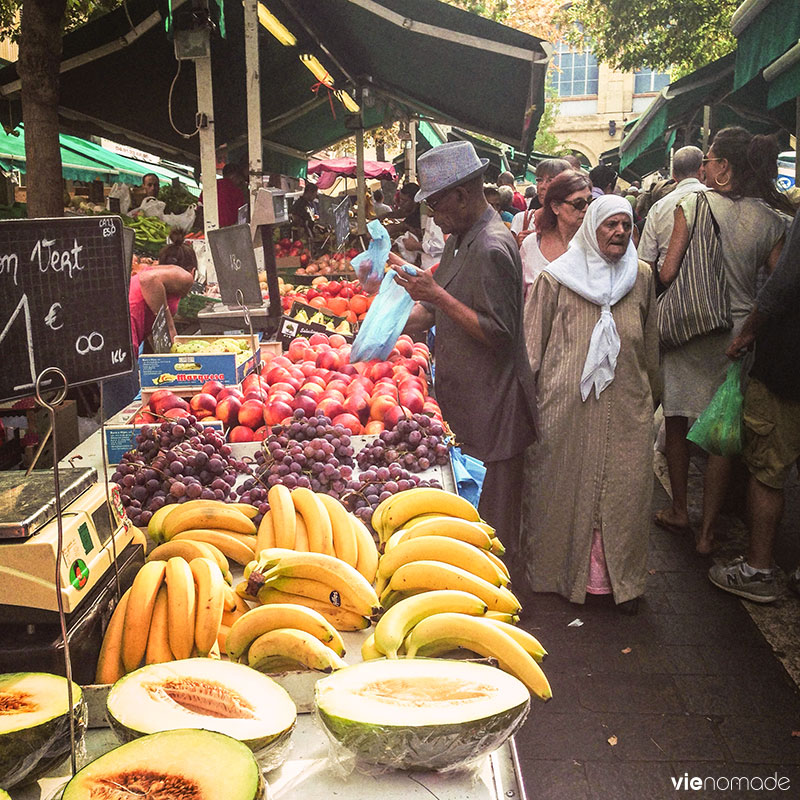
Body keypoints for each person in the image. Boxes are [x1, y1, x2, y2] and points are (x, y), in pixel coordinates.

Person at [390, 140, 537, 565]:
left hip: (496, 411)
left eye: (436, 203)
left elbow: (501, 334)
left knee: (495, 530)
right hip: (468, 407)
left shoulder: (492, 246)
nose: (433, 215)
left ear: (461, 194)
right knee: (470, 525)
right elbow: (434, 312)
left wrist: (436, 294)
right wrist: (374, 330)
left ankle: (507, 611)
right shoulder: (459, 240)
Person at [656, 127, 793, 554]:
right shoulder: (772, 221)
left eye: (709, 160)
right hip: (738, 335)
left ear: (724, 168)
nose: (704, 167)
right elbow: (775, 284)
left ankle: (679, 508)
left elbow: (666, 272)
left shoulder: (690, 204)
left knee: (677, 420)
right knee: (723, 431)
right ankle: (709, 530)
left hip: (690, 328)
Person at [521, 195, 660, 614]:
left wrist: (653, 397)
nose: (619, 232)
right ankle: (556, 576)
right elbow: (532, 348)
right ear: (591, 228)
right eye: (609, 225)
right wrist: (530, 406)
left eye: (626, 225)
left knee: (626, 491)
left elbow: (651, 342)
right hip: (566, 408)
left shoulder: (641, 277)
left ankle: (623, 585)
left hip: (627, 407)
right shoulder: (556, 279)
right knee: (561, 487)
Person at [706, 212, 800, 602]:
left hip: (787, 367)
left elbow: (781, 286)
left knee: (768, 470)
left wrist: (747, 334)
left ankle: (758, 570)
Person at [102, 232, 197, 417]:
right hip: (119, 339)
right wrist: (169, 325)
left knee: (123, 407)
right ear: (192, 270)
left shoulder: (159, 276)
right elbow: (148, 281)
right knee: (126, 414)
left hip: (113, 333)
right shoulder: (184, 276)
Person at [638, 146, 706, 294]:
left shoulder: (658, 208)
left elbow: (646, 261)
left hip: (668, 290)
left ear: (674, 175)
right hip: (712, 289)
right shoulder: (717, 199)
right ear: (702, 170)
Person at [519, 170, 592, 296]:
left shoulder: (594, 245)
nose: (586, 209)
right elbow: (517, 297)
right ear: (555, 207)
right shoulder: (531, 244)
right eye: (578, 203)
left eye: (590, 202)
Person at [511, 158, 571, 244]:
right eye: (540, 180)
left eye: (550, 181)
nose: (543, 186)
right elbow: (509, 255)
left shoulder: (572, 222)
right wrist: (518, 245)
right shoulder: (522, 219)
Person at [197, 163, 248, 228]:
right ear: (235, 176)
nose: (241, 181)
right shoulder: (236, 190)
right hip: (230, 228)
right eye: (241, 178)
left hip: (210, 226)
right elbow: (242, 214)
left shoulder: (211, 186)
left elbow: (200, 205)